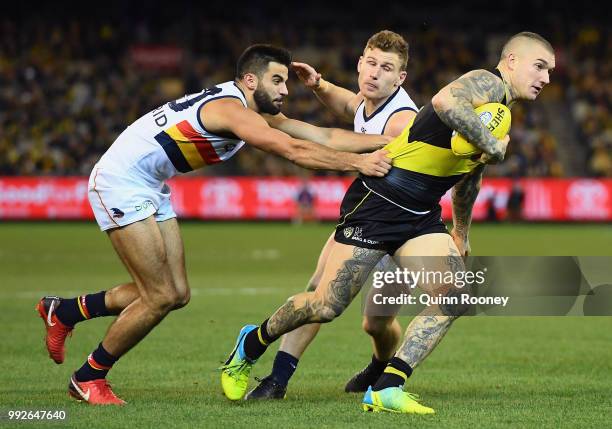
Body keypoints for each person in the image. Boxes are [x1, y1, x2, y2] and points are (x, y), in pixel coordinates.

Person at [35, 44, 393, 405]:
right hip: (121, 182)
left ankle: (64, 311)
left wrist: (394, 141)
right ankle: (88, 377)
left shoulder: (248, 109)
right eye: (277, 80)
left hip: (150, 185)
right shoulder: (230, 111)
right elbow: (293, 151)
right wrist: (358, 163)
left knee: (175, 294)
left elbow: (323, 136)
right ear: (250, 80)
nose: (286, 90)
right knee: (158, 296)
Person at [221, 32, 555, 414]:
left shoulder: (499, 112)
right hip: (378, 203)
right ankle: (252, 343)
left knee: (455, 295)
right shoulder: (487, 82)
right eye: (540, 66)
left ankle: (388, 386)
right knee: (326, 305)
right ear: (511, 61)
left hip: (421, 215)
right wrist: (492, 144)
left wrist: (461, 229)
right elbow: (445, 101)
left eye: (550, 71)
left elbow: (469, 173)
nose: (545, 78)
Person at [247, 30, 419, 400]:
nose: (374, 73)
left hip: (403, 229)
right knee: (317, 293)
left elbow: (336, 138)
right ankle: (277, 380)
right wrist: (319, 85)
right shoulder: (368, 100)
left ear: (400, 78)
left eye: (386, 68)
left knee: (376, 324)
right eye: (370, 63)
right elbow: (349, 106)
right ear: (360, 63)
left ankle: (377, 367)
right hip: (365, 219)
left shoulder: (401, 121)